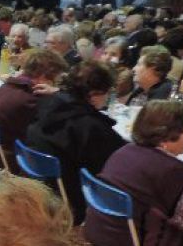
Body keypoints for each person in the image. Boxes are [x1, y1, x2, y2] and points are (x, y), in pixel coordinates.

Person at [84, 100, 183, 246]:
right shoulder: (174, 170)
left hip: (96, 232)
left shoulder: (124, 150)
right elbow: (178, 223)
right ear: (167, 136)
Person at [26, 60, 126, 224]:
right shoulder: (89, 126)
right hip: (69, 200)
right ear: (94, 94)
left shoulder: (48, 103)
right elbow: (115, 165)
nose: (108, 97)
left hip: (41, 188)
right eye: (108, 92)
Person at [0, 48, 67, 171]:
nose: (55, 84)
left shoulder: (6, 88)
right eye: (56, 80)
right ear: (44, 76)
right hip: (10, 165)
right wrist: (58, 94)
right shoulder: (31, 99)